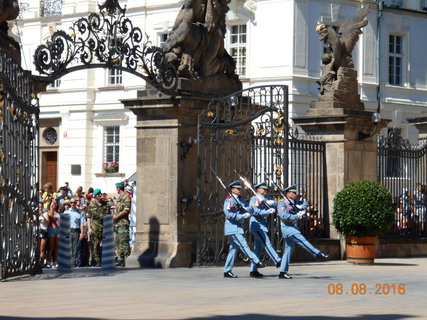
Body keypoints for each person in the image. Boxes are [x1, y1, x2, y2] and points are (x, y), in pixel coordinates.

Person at [277, 184, 329, 279]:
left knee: (288, 250)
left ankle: (282, 272)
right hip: (287, 227)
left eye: (296, 192)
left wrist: (301, 205)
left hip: (293, 227)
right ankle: (317, 254)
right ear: (288, 193)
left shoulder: (295, 202)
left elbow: (305, 205)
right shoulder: (282, 203)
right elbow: (283, 216)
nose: (296, 194)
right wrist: (296, 216)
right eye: (294, 192)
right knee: (302, 240)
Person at [223, 180, 265, 278]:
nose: (239, 190)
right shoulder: (229, 200)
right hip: (232, 227)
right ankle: (256, 261)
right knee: (244, 245)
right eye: (237, 189)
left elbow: (249, 208)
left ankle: (227, 271)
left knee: (233, 249)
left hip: (238, 227)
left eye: (240, 188)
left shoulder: (240, 200)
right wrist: (241, 216)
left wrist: (246, 208)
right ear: (232, 189)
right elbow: (228, 214)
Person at [248, 182, 281, 278]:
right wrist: (266, 211)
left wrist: (273, 203)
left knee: (257, 249)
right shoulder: (254, 199)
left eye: (266, 189)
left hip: (262, 225)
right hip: (256, 225)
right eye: (264, 189)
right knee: (267, 243)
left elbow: (275, 204)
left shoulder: (266, 199)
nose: (266, 191)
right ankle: (277, 260)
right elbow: (255, 211)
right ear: (258, 189)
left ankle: (253, 270)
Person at [87, 189, 110, 267]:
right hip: (95, 227)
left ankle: (105, 259)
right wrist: (89, 228)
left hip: (104, 227)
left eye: (100, 194)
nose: (100, 195)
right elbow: (89, 217)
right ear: (96, 196)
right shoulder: (92, 205)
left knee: (105, 244)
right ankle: (97, 261)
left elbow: (108, 217)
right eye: (98, 194)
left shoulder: (105, 205)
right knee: (96, 245)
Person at [113, 182, 131, 267]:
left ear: (118, 188)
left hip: (123, 223)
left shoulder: (126, 196)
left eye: (116, 188)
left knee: (124, 242)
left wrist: (116, 216)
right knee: (118, 241)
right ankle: (120, 259)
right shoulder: (119, 197)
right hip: (118, 224)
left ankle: (126, 259)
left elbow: (126, 210)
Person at [64, 197, 86, 267]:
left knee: (75, 248)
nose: (72, 204)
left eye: (74, 202)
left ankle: (73, 262)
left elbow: (82, 224)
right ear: (70, 203)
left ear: (76, 203)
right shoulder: (66, 212)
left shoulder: (80, 212)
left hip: (76, 231)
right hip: (68, 231)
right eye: (71, 202)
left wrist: (82, 233)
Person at [46, 199, 60, 268]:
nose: (55, 205)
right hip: (51, 228)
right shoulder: (49, 211)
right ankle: (48, 261)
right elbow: (50, 217)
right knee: (51, 246)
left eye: (55, 204)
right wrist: (51, 207)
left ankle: (55, 261)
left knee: (57, 246)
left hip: (58, 229)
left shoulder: (58, 212)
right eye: (53, 204)